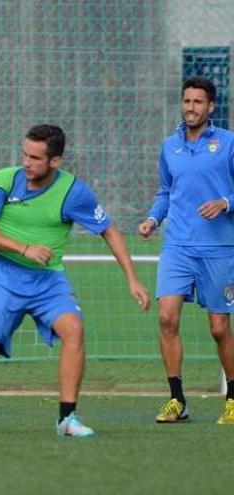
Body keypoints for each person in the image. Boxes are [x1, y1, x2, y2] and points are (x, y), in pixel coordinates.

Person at [0, 124, 150, 437]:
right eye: (25, 154)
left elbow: (109, 231)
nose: (27, 163)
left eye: (35, 157)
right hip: (4, 278)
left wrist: (132, 278)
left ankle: (67, 419)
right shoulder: (4, 184)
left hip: (49, 281)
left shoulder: (74, 192)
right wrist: (24, 248)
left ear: (55, 162)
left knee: (74, 330)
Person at [138, 76, 234, 425]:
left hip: (219, 248)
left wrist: (225, 202)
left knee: (219, 328)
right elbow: (166, 190)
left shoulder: (227, 144)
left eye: (198, 102)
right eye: (186, 101)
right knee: (167, 319)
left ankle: (233, 400)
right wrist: (152, 219)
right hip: (177, 245)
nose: (191, 107)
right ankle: (177, 400)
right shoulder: (170, 146)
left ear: (211, 107)